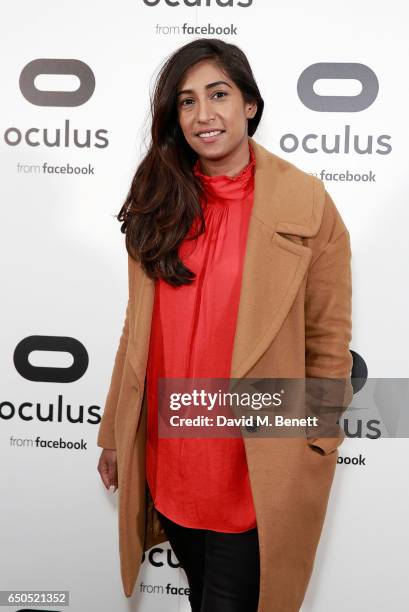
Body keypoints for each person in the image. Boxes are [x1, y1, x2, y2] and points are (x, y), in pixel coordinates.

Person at [97, 38, 353, 612]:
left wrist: (318, 439)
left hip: (252, 463)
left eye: (219, 95)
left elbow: (328, 337)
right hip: (172, 456)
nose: (204, 115)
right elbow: (135, 330)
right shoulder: (157, 195)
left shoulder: (306, 202)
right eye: (187, 102)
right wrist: (114, 432)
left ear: (251, 105)